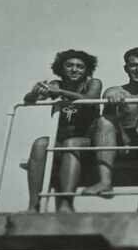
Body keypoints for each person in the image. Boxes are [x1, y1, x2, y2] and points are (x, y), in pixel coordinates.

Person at [87, 47, 138, 212]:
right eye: (133, 65)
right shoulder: (114, 91)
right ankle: (105, 182)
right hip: (122, 145)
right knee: (104, 121)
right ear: (126, 68)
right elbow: (107, 124)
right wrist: (112, 103)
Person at [22, 49, 103, 212]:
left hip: (88, 141)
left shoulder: (93, 83)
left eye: (80, 66)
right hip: (61, 139)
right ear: (61, 68)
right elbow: (30, 100)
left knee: (70, 143)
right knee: (40, 144)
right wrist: (35, 92)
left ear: (87, 70)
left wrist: (61, 93)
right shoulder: (56, 84)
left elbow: (91, 99)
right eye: (70, 65)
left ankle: (66, 204)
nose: (74, 70)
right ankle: (33, 206)